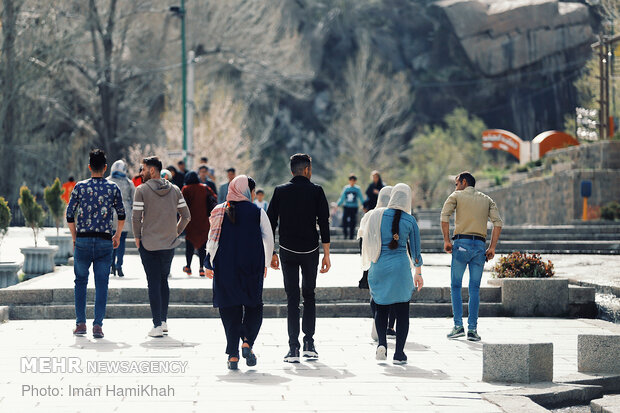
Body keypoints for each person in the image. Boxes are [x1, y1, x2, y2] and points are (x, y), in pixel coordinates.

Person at [205, 175, 274, 370]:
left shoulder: (219, 210)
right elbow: (268, 239)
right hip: (251, 267)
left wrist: (207, 263)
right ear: (247, 192)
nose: (253, 195)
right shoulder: (257, 212)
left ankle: (233, 356)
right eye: (252, 191)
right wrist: (266, 264)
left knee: (229, 309)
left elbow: (212, 239)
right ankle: (247, 341)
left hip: (225, 268)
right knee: (254, 306)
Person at [267, 153, 331, 363]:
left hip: (287, 250)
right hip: (310, 251)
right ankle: (309, 344)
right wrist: (327, 255)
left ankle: (293, 348)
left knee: (292, 299)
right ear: (306, 170)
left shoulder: (280, 191)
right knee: (309, 296)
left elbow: (269, 224)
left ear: (292, 170)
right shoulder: (316, 191)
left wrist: (272, 253)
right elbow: (324, 224)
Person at [66, 149, 125, 339]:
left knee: (80, 282)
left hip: (82, 240)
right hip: (104, 241)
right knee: (102, 284)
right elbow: (122, 214)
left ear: (89, 166)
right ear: (105, 168)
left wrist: (75, 237)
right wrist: (116, 235)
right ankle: (98, 325)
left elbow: (69, 215)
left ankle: (80, 323)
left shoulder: (80, 187)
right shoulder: (113, 188)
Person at [364, 183, 423, 364]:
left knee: (381, 307)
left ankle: (382, 343)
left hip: (379, 266)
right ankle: (399, 354)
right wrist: (418, 274)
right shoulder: (410, 220)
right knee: (402, 311)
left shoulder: (376, 215)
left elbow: (367, 240)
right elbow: (415, 252)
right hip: (401, 269)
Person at [133, 156, 191, 338]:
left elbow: (136, 217)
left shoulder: (141, 190)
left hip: (148, 243)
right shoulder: (174, 189)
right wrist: (175, 232)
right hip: (168, 243)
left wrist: (137, 236)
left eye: (143, 169)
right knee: (163, 280)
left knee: (153, 281)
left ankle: (156, 325)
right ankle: (164, 322)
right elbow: (186, 216)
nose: (141, 173)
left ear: (152, 170)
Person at [441, 171, 503, 342]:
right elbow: (498, 222)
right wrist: (492, 247)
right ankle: (473, 330)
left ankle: (458, 326)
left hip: (461, 244)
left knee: (455, 286)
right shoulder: (487, 199)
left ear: (464, 182)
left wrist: (447, 240)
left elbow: (444, 216)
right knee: (474, 289)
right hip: (479, 246)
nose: (456, 186)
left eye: (456, 183)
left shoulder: (456, 196)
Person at [357, 186, 397, 341]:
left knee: (376, 293)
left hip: (374, 259)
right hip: (393, 260)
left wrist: (365, 260)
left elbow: (361, 240)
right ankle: (389, 326)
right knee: (393, 294)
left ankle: (377, 320)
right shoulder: (397, 214)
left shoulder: (369, 215)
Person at [181, 171, 217, 277]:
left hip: (190, 222)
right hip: (203, 221)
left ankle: (188, 266)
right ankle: (202, 268)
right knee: (203, 246)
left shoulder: (186, 189)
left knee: (189, 245)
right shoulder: (205, 188)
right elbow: (214, 197)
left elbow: (181, 204)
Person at [107, 160, 135, 278]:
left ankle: (111, 264)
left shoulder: (107, 181)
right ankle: (119, 265)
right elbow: (134, 199)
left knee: (111, 240)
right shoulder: (129, 183)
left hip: (110, 214)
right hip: (124, 213)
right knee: (121, 241)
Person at [337, 174, 365, 240]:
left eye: (353, 180)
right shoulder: (346, 188)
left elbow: (361, 198)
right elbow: (342, 198)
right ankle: (345, 234)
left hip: (354, 207)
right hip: (346, 206)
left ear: (355, 181)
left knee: (353, 221)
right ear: (349, 181)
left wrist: (364, 205)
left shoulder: (357, 189)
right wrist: (337, 204)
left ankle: (351, 236)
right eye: (351, 180)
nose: (352, 182)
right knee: (344, 220)